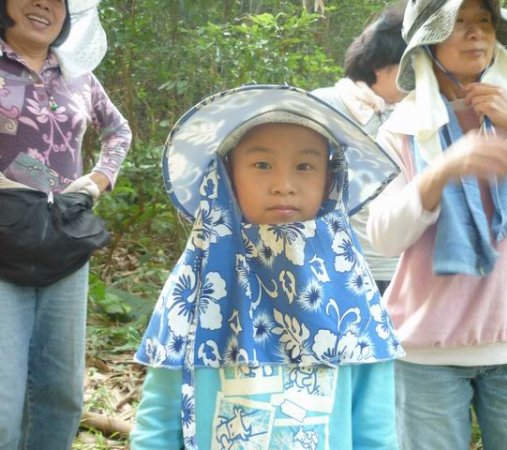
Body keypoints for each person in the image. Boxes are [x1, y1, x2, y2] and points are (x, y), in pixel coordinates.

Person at [367, 0, 507, 449]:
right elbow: (385, 237)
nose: (477, 33)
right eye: (458, 23)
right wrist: (441, 170)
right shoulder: (402, 129)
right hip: (426, 350)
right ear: (428, 44)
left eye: (485, 21)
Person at [130, 85, 404, 449]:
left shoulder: (353, 290)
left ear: (330, 178)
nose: (283, 186)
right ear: (228, 174)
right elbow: (158, 427)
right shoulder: (194, 288)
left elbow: (375, 433)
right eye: (262, 165)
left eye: (305, 166)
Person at [0, 0, 132, 448]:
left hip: (65, 239)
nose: (44, 4)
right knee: (4, 401)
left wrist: (96, 181)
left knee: (61, 392)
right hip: (4, 241)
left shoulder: (78, 74)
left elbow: (118, 131)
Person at [312, 4, 406, 294]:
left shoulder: (411, 115)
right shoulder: (324, 106)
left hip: (402, 268)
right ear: (379, 65)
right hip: (340, 266)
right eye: (409, 65)